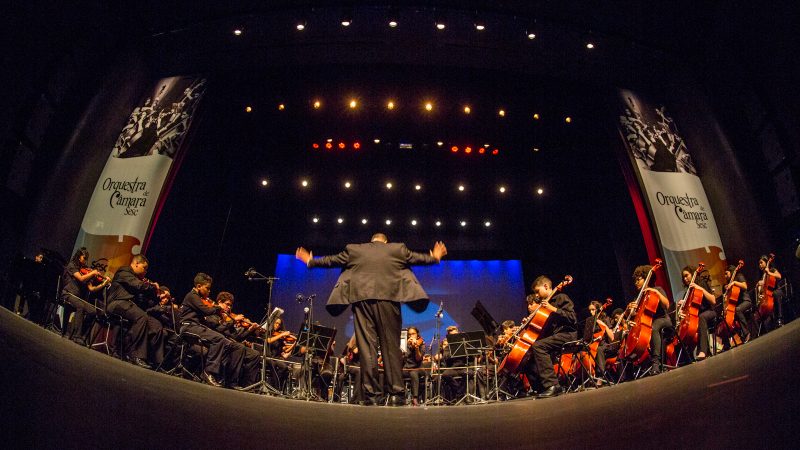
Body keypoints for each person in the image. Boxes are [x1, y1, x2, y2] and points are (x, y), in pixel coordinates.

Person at [295, 233, 447, 406]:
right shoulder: (397, 249)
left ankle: (372, 396)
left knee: (367, 349)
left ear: (371, 241)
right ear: (386, 241)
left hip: (362, 302)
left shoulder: (355, 249)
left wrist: (310, 261)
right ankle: (397, 394)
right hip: (389, 300)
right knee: (391, 348)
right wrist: (434, 257)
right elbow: (418, 258)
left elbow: (332, 260)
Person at [178, 273, 245, 388]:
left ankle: (218, 375)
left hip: (196, 327)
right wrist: (218, 308)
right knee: (219, 338)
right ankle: (208, 372)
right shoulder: (192, 296)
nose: (209, 291)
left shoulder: (198, 298)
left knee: (226, 343)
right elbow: (206, 311)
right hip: (188, 327)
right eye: (207, 288)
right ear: (199, 286)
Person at [520, 276, 577, 398]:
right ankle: (540, 387)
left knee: (538, 346)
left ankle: (553, 386)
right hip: (555, 337)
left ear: (546, 286)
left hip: (567, 334)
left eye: (537, 291)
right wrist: (529, 322)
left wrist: (554, 309)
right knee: (527, 355)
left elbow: (572, 318)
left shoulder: (561, 298)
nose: (536, 295)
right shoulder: (543, 305)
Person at [105, 254, 165, 369]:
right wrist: (152, 286)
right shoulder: (124, 271)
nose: (145, 272)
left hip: (129, 306)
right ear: (136, 263)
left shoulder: (137, 278)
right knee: (141, 317)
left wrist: (159, 295)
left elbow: (147, 298)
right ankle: (135, 355)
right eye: (144, 268)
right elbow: (138, 286)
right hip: (117, 303)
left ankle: (156, 362)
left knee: (156, 326)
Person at [59, 247, 110, 344]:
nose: (85, 260)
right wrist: (92, 273)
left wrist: (103, 283)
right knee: (81, 306)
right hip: (68, 294)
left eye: (86, 258)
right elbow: (81, 278)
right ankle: (76, 336)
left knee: (93, 311)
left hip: (77, 298)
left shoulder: (84, 270)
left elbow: (91, 289)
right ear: (78, 257)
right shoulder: (72, 265)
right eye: (84, 258)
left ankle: (81, 335)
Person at [628, 265, 671, 374]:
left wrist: (655, 292)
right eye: (635, 280)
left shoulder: (657, 289)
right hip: (648, 323)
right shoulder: (638, 297)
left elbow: (667, 305)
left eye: (638, 280)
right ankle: (638, 364)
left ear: (646, 278)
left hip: (663, 319)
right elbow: (638, 315)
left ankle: (655, 363)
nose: (636, 283)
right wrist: (631, 311)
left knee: (653, 328)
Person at [677, 265, 716, 360]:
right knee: (686, 327)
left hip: (709, 312)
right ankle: (687, 357)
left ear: (693, 274)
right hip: (696, 318)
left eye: (687, 275)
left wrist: (700, 288)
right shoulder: (687, 293)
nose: (685, 278)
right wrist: (680, 311)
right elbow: (687, 311)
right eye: (683, 277)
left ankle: (703, 351)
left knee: (701, 317)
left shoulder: (701, 284)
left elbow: (713, 300)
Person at [584, 301, 614, 386]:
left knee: (599, 350)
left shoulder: (605, 319)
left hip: (605, 345)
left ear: (598, 309)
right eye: (590, 310)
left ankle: (600, 377)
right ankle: (589, 376)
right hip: (593, 345)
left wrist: (603, 324)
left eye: (593, 310)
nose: (591, 312)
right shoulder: (590, 321)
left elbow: (612, 337)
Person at [756, 255, 784, 329]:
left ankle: (779, 318)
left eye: (761, 263)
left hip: (776, 290)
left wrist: (769, 273)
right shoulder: (763, 275)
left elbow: (779, 276)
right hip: (768, 295)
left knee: (775, 294)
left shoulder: (771, 269)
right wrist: (760, 294)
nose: (760, 265)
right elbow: (763, 289)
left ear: (766, 262)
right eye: (759, 264)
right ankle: (767, 326)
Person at [403, 326, 425, 406]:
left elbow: (418, 359)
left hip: (418, 368)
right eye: (409, 334)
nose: (411, 336)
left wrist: (416, 348)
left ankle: (415, 398)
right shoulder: (404, 344)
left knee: (413, 373)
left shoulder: (421, 343)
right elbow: (402, 357)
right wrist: (407, 346)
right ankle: (400, 396)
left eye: (413, 334)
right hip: (406, 368)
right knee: (396, 373)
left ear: (417, 334)